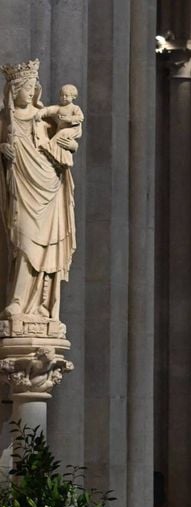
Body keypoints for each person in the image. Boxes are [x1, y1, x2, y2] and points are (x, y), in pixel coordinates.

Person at [0, 59, 77, 322]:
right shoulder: (5, 121)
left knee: (43, 249)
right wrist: (2, 151)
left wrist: (66, 138)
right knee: (22, 242)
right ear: (13, 90)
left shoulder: (43, 121)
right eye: (26, 87)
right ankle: (18, 301)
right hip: (20, 189)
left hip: (47, 188)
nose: (31, 92)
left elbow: (64, 141)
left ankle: (37, 305)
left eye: (34, 87)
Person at [36, 83, 83, 167]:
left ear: (73, 97)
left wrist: (67, 118)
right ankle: (59, 158)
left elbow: (80, 117)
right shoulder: (59, 108)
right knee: (61, 143)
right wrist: (40, 112)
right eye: (61, 95)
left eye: (66, 95)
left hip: (72, 130)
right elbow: (48, 110)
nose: (63, 97)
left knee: (62, 136)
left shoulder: (75, 108)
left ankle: (49, 147)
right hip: (61, 130)